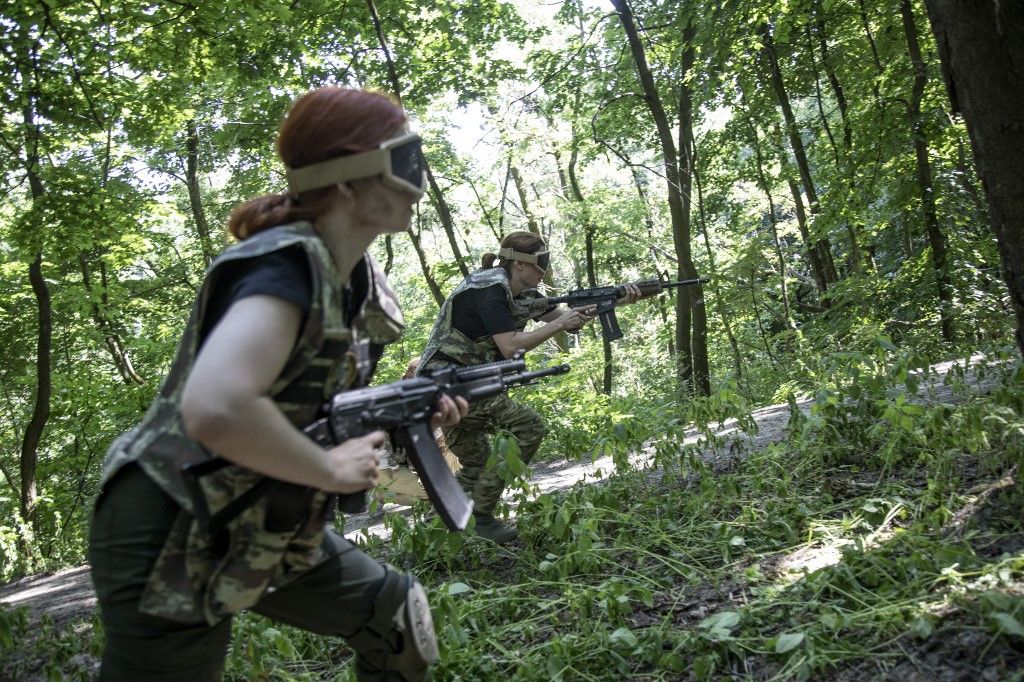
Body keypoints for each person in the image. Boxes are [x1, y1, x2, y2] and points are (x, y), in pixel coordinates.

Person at [87, 87, 468, 681]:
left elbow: (310, 404)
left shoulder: (358, 280)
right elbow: (218, 406)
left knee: (397, 620)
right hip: (172, 523)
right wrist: (330, 470)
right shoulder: (284, 265)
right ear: (348, 179)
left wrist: (401, 412)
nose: (419, 183)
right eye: (405, 161)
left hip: (264, 514)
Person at [416, 231, 642, 544]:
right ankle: (480, 517)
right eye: (540, 263)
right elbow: (511, 347)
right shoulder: (488, 288)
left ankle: (432, 536)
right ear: (519, 265)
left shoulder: (521, 294)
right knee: (529, 428)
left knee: (477, 464)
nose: (543, 270)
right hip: (448, 385)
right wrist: (560, 324)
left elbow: (565, 317)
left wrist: (612, 301)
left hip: (461, 384)